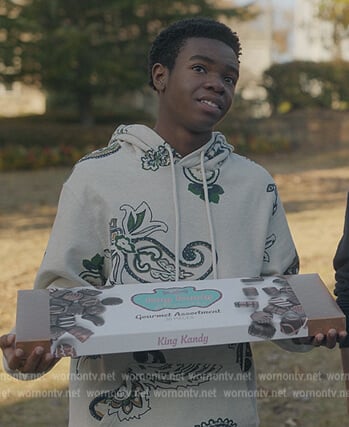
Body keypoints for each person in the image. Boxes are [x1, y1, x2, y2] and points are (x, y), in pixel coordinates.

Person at [0, 17, 343, 427]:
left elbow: (278, 294)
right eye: (200, 68)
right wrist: (32, 355)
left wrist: (308, 331)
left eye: (229, 77)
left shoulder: (256, 185)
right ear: (160, 76)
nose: (218, 83)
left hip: (223, 410)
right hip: (114, 411)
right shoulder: (95, 178)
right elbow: (61, 298)